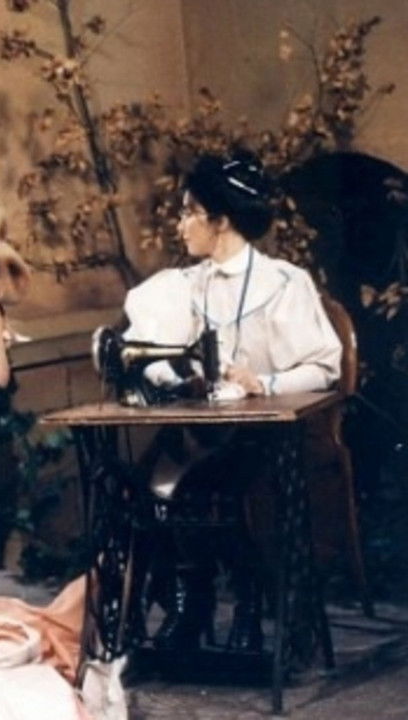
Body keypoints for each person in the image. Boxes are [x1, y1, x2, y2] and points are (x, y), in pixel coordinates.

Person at [122, 151, 342, 652]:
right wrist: (175, 377)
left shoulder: (283, 283)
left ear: (220, 221)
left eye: (189, 213)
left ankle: (245, 603)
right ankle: (187, 603)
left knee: (204, 486)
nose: (181, 225)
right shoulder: (186, 286)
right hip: (208, 428)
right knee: (141, 485)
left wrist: (264, 383)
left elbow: (325, 367)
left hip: (272, 433)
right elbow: (159, 352)